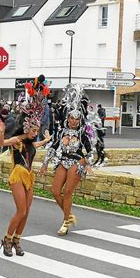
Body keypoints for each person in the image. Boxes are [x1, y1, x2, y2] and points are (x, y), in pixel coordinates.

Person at [0, 92, 51, 257]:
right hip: (17, 176)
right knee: (20, 211)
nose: (36, 133)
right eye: (33, 130)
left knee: (26, 212)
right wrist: (2, 131)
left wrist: (47, 139)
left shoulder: (30, 142)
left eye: (37, 130)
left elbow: (37, 144)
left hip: (29, 176)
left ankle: (17, 240)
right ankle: (6, 239)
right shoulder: (16, 140)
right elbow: (2, 143)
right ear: (27, 128)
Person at [40, 84, 93, 236]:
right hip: (62, 161)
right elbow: (53, 147)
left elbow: (90, 151)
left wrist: (87, 163)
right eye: (71, 118)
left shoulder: (83, 134)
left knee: (68, 192)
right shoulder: (61, 131)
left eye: (76, 119)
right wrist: (45, 163)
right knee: (55, 191)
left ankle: (65, 222)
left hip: (77, 162)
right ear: (68, 118)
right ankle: (69, 216)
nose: (74, 121)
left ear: (79, 119)